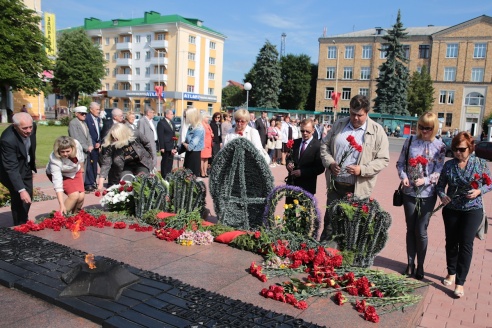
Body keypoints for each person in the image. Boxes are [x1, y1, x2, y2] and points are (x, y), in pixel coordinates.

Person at [320, 94, 389, 240]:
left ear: (367, 113)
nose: (355, 118)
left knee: (352, 228)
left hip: (358, 189)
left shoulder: (377, 131)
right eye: (352, 114)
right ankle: (325, 257)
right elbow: (324, 146)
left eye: (359, 115)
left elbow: (383, 159)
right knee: (330, 225)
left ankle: (348, 260)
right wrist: (331, 163)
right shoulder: (340, 125)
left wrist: (362, 169)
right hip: (336, 187)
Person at [436, 132, 492, 298]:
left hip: (472, 209)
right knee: (451, 242)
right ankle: (451, 272)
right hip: (452, 209)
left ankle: (460, 282)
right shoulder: (449, 165)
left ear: (470, 148)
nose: (457, 153)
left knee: (466, 244)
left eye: (461, 149)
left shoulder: (480, 164)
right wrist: (442, 196)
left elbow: (490, 184)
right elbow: (440, 186)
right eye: (455, 149)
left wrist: (479, 191)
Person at [396, 112, 446, 280]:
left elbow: (439, 170)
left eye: (428, 128)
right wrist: (403, 177)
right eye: (422, 127)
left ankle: (421, 265)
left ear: (434, 128)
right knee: (410, 229)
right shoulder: (410, 141)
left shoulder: (440, 146)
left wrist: (425, 180)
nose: (424, 131)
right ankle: (410, 264)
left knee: (421, 230)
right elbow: (400, 163)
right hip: (409, 193)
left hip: (428, 194)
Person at [0, 113, 36, 226]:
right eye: (24, 128)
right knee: (18, 196)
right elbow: (11, 167)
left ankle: (23, 220)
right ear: (15, 126)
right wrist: (21, 189)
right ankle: (19, 225)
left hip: (25, 165)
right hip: (9, 170)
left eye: (30, 127)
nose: (29, 130)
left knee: (28, 195)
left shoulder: (32, 127)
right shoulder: (7, 140)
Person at [97, 123, 154, 190]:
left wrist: (150, 157)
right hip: (124, 166)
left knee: (143, 181)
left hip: (141, 163)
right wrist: (100, 184)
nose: (114, 139)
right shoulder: (110, 145)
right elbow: (106, 164)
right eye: (112, 136)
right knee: (126, 182)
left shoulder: (135, 134)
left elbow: (147, 143)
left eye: (116, 137)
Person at [46, 136, 85, 214]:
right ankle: (61, 217)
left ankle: (75, 217)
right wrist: (61, 204)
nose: (65, 154)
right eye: (62, 151)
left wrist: (82, 168)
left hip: (75, 171)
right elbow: (58, 184)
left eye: (68, 151)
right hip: (62, 174)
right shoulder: (55, 160)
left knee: (81, 197)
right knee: (74, 195)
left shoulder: (76, 144)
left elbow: (81, 157)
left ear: (73, 148)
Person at [286, 118, 325, 195]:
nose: (305, 133)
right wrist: (288, 164)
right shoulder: (295, 143)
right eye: (302, 131)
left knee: (304, 207)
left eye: (308, 131)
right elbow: (289, 158)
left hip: (307, 186)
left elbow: (320, 168)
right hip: (292, 185)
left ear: (313, 130)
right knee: (289, 207)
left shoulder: (318, 146)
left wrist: (302, 172)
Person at [182, 107, 204, 177]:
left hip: (194, 156)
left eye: (186, 116)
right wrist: (176, 149)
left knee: (191, 179)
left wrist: (183, 143)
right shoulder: (191, 127)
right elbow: (187, 142)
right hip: (189, 155)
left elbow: (190, 147)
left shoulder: (199, 129)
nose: (185, 118)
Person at [84, 102, 102, 192]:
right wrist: (93, 143)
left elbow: (99, 132)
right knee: (89, 165)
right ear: (91, 110)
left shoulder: (98, 119)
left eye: (99, 109)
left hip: (97, 146)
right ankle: (88, 183)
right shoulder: (87, 118)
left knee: (94, 165)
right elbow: (88, 134)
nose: (99, 111)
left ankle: (93, 181)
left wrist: (99, 142)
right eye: (97, 109)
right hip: (90, 145)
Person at [157, 109, 177, 178]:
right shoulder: (161, 123)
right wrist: (162, 147)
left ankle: (169, 174)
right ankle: (164, 175)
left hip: (171, 145)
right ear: (166, 115)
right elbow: (160, 135)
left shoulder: (172, 123)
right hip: (165, 146)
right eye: (171, 114)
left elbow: (173, 134)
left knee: (170, 162)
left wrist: (175, 146)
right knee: (165, 161)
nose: (172, 115)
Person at [200, 112, 213, 178]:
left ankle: (205, 171)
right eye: (207, 117)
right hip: (203, 144)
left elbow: (211, 132)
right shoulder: (201, 124)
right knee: (202, 158)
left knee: (206, 158)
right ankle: (202, 171)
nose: (208, 119)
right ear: (203, 117)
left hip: (209, 144)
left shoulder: (208, 125)